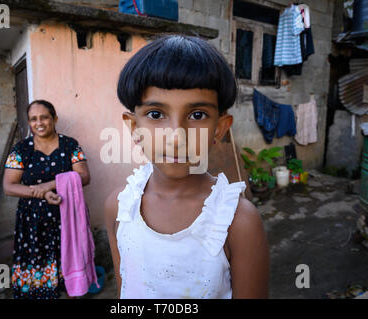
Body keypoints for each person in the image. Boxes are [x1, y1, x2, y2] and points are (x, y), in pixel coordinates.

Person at [105, 35, 270, 299]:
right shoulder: (119, 207)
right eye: (156, 114)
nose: (176, 137)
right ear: (134, 127)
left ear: (219, 129)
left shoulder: (238, 221)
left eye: (197, 115)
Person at [3, 100, 90, 299]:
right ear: (29, 123)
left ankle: (71, 292)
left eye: (44, 117)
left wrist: (48, 185)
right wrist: (40, 193)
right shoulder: (21, 150)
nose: (39, 122)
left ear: (54, 119)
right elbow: (9, 186)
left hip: (67, 217)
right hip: (32, 221)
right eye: (33, 119)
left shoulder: (70, 145)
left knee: (68, 263)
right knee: (37, 268)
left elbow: (84, 176)